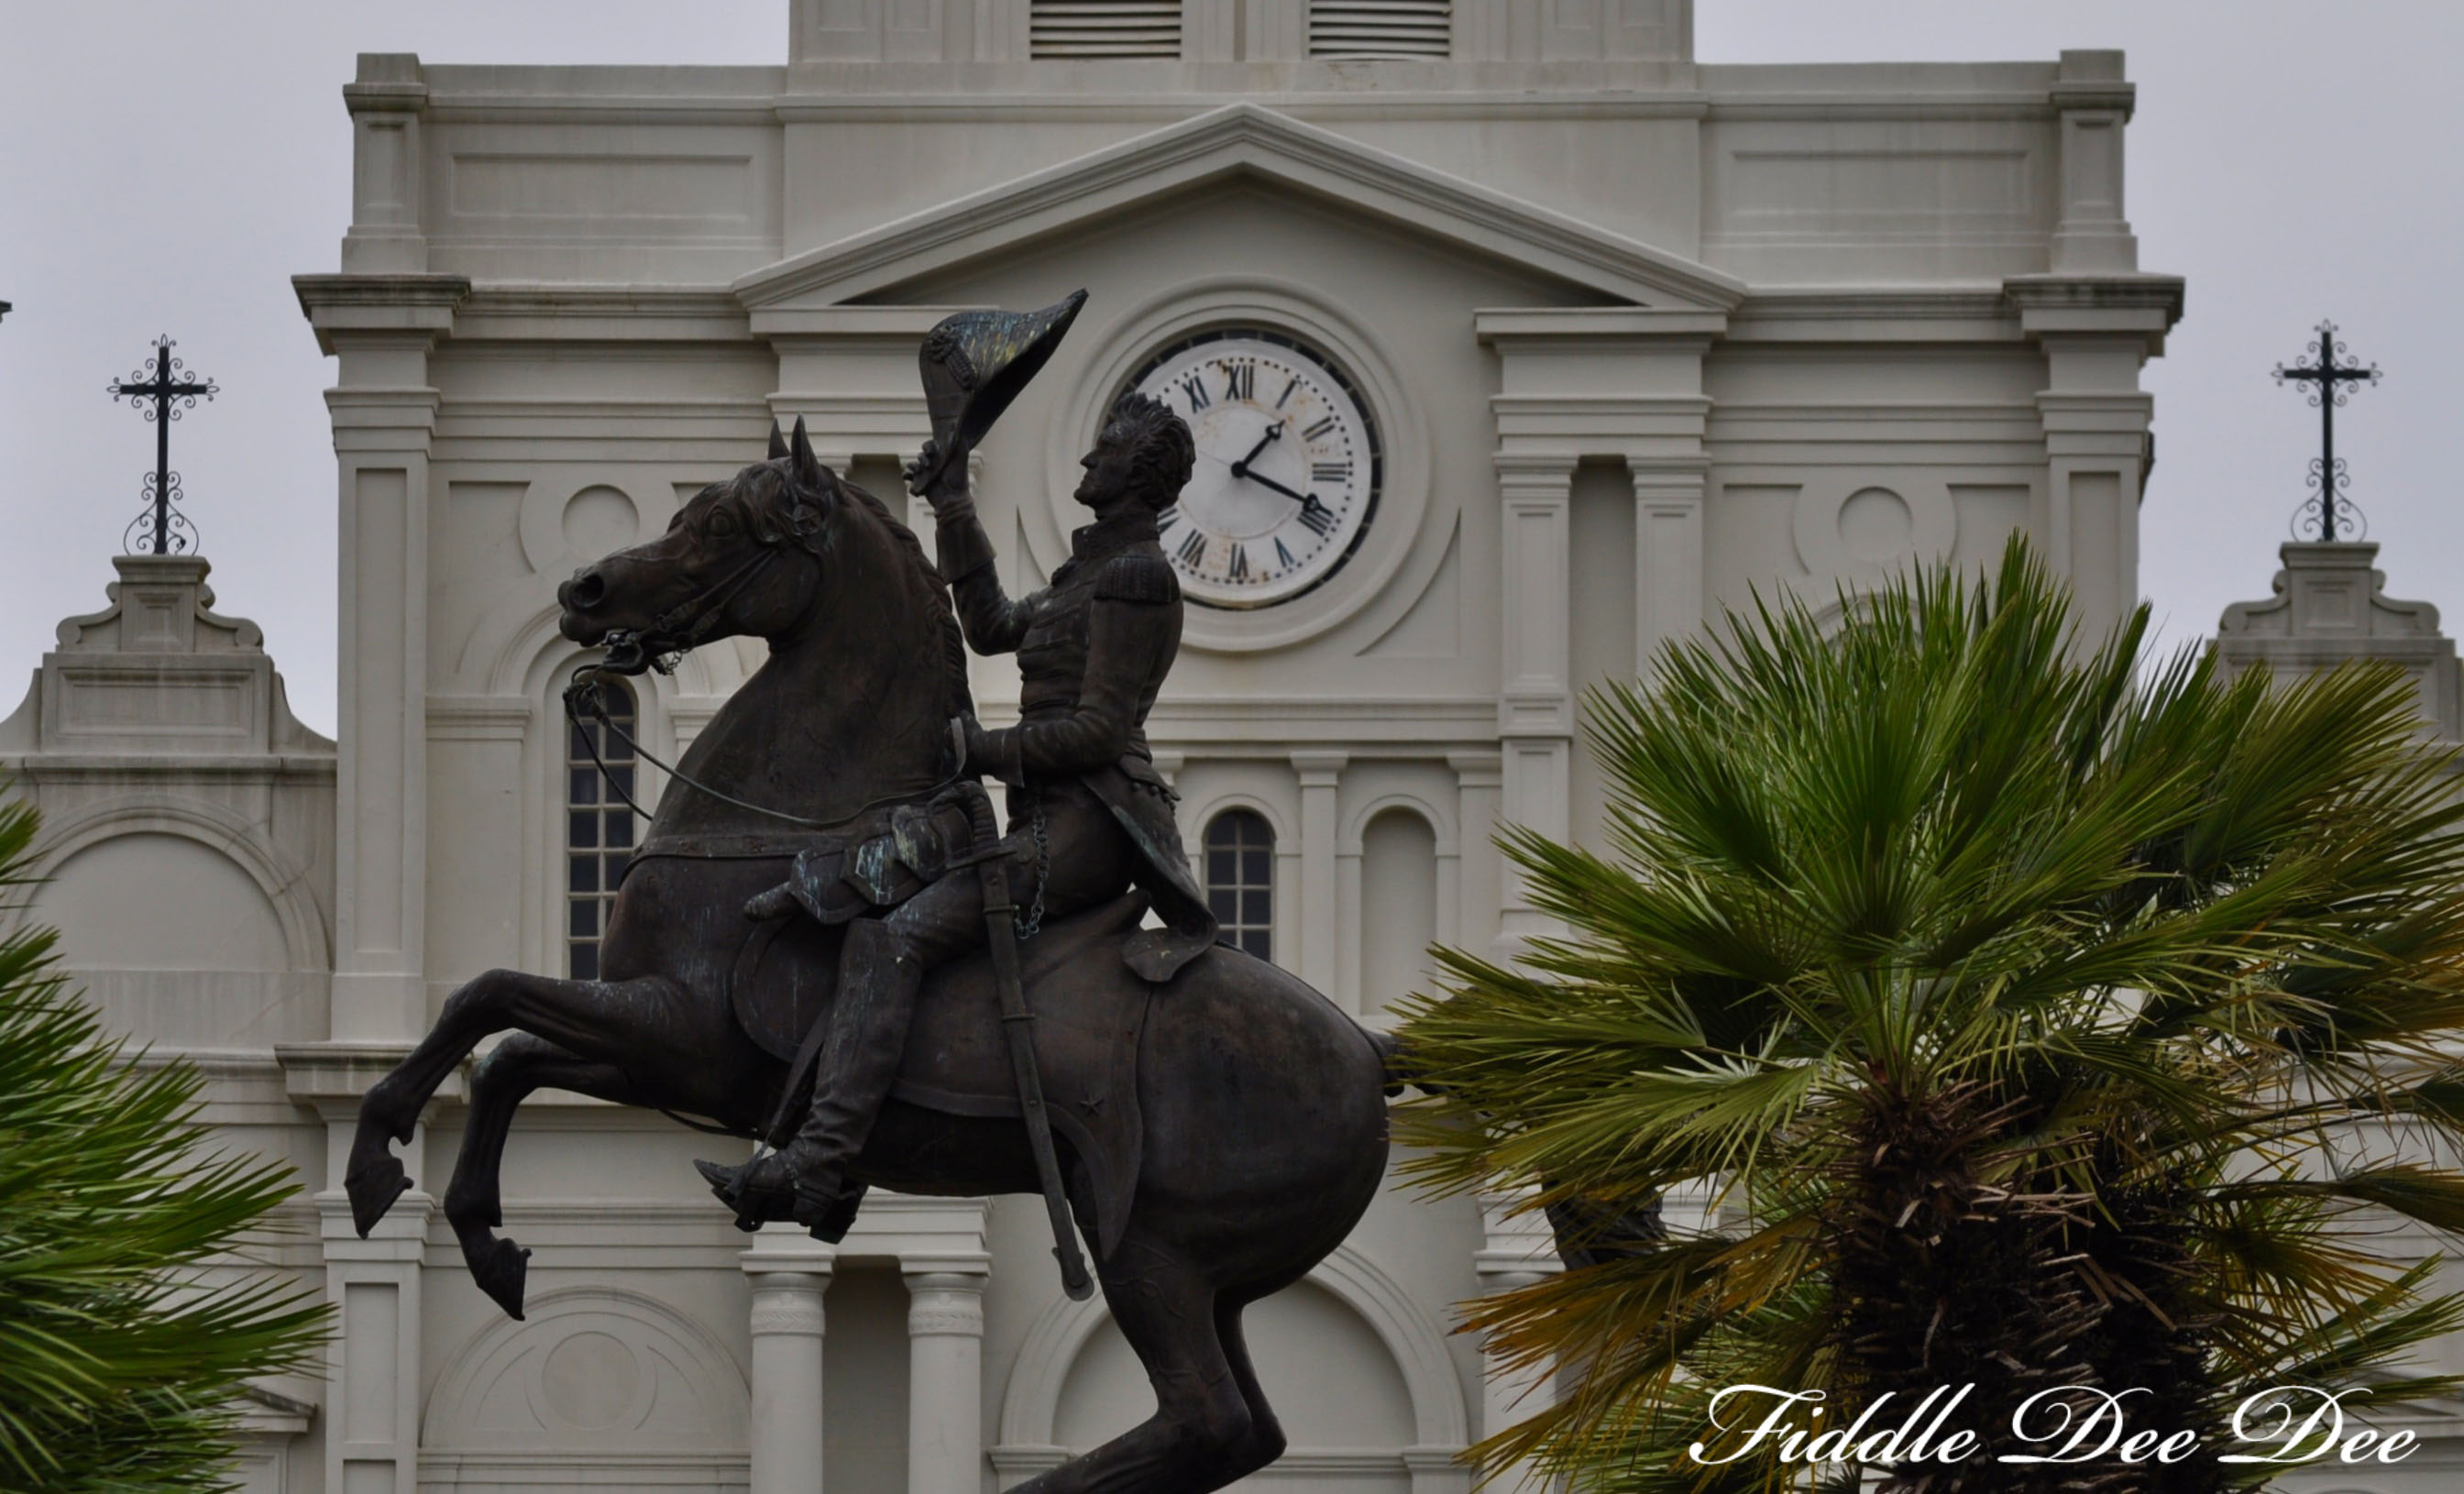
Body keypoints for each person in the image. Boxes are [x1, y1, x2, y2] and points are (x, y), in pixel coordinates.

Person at [702, 390, 1218, 1234]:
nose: (1090, 461)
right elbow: (989, 625)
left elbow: (1099, 731)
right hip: (1036, 821)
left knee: (891, 937)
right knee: (876, 892)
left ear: (1141, 475)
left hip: (1086, 831)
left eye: (1108, 450)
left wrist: (983, 751)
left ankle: (821, 1167)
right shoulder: (1088, 572)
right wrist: (951, 501)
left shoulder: (1136, 576)